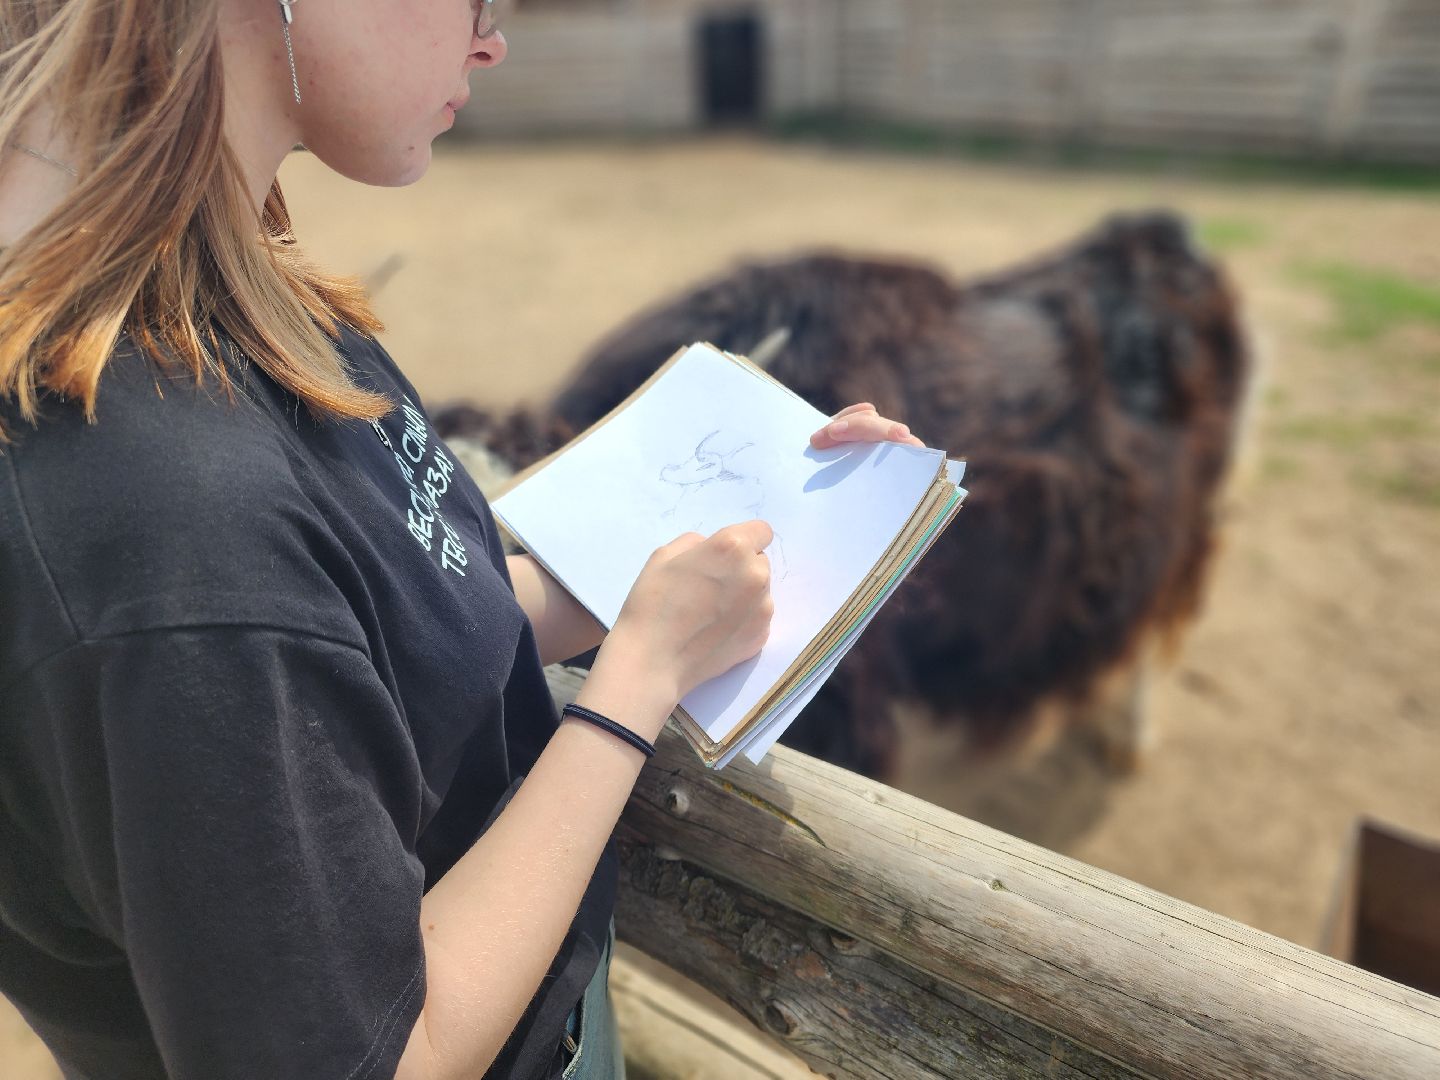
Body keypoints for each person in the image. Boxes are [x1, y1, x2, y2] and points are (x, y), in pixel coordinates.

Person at [0, 1, 926, 1077]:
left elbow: (389, 624)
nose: (493, 39)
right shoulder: (174, 528)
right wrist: (638, 677)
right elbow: (389, 1056)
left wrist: (755, 527)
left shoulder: (246, 297)